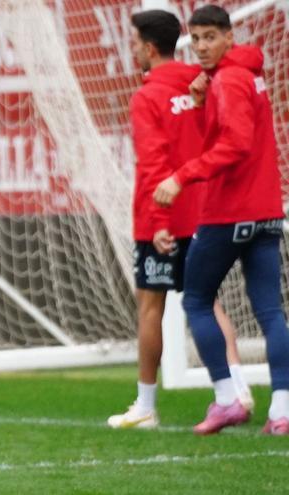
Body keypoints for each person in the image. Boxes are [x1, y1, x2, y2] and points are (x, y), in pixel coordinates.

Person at [108, 9, 252, 430]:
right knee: (207, 301)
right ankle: (237, 388)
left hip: (164, 216)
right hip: (207, 210)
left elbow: (153, 164)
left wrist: (158, 221)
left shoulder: (148, 96)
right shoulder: (204, 80)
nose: (132, 50)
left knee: (151, 306)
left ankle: (146, 405)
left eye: (134, 43)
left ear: (149, 48)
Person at [154, 4, 289, 435]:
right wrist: (200, 100)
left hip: (230, 211)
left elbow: (234, 145)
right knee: (270, 309)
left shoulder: (228, 79)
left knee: (194, 299)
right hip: (268, 211)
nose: (202, 47)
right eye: (196, 39)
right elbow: (227, 133)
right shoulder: (244, 74)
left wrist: (180, 177)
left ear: (230, 38)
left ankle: (229, 399)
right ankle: (282, 411)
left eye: (211, 37)